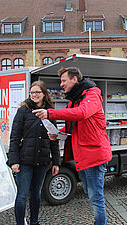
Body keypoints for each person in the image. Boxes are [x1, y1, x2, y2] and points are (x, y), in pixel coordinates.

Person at [33, 67, 112, 225]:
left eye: (63, 80)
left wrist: (50, 113)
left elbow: (82, 113)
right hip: (83, 156)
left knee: (96, 198)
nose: (61, 84)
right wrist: (57, 133)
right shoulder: (75, 99)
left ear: (74, 79)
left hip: (95, 155)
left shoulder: (92, 95)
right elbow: (72, 125)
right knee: (90, 195)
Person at [7, 80, 60, 225]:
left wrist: (56, 162)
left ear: (44, 94)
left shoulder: (49, 112)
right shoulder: (23, 110)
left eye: (37, 92)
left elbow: (54, 138)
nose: (34, 95)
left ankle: (34, 222)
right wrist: (14, 161)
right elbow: (15, 137)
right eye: (32, 92)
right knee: (22, 195)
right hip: (25, 160)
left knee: (36, 194)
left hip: (42, 160)